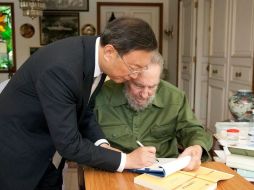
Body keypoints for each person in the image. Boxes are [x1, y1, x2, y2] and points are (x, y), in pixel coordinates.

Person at [0, 17, 158, 190]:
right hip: (18, 156)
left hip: (49, 155)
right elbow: (68, 143)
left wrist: (102, 144)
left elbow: (83, 109)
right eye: (133, 67)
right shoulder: (62, 69)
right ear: (110, 52)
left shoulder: (96, 58)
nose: (135, 76)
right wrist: (127, 160)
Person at [94, 53, 213, 171]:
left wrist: (197, 148)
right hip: (113, 169)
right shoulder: (100, 95)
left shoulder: (174, 97)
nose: (145, 94)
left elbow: (192, 129)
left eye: (152, 87)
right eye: (138, 85)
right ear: (127, 77)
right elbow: (83, 138)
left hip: (164, 171)